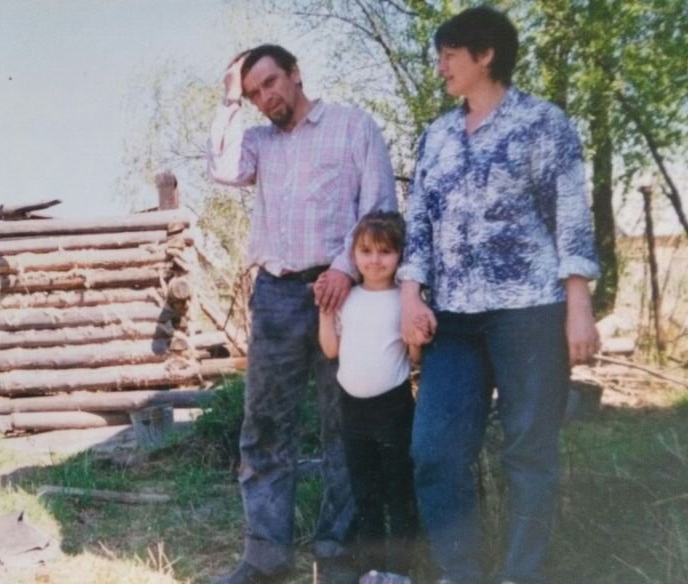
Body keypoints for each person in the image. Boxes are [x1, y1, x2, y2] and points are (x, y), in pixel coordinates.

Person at [397, 7, 601, 584]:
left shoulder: (544, 124)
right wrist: (411, 297)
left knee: (529, 455)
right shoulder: (435, 136)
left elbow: (571, 220)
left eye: (449, 54)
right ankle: (461, 572)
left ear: (485, 54)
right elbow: (419, 225)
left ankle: (521, 574)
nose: (441, 66)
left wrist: (578, 307)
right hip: (454, 320)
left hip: (531, 313)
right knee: (434, 452)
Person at [207, 44, 398, 584]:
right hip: (275, 297)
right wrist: (227, 100)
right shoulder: (258, 144)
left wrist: (343, 268)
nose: (265, 98)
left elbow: (381, 207)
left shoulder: (352, 126)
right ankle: (264, 557)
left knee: (346, 426)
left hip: (345, 293)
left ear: (295, 74)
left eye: (271, 83)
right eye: (253, 93)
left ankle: (338, 552)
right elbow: (221, 169)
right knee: (265, 427)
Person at [317, 210, 420, 581]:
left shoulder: (404, 300)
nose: (375, 260)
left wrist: (417, 341)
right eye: (366, 251)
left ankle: (402, 569)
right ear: (354, 254)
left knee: (397, 487)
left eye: (385, 252)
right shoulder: (348, 299)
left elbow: (413, 357)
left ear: (399, 257)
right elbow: (331, 351)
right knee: (365, 491)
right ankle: (373, 569)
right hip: (352, 409)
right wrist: (326, 315)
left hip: (393, 408)